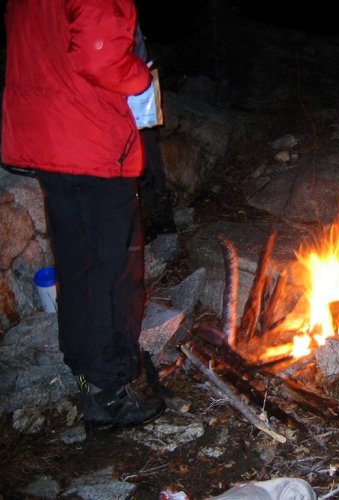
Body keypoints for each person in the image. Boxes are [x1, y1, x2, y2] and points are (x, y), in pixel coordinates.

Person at [2, 0, 165, 429]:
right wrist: (140, 74)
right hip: (90, 140)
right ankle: (112, 391)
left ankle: (83, 368)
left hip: (47, 138)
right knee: (113, 271)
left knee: (77, 263)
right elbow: (100, 55)